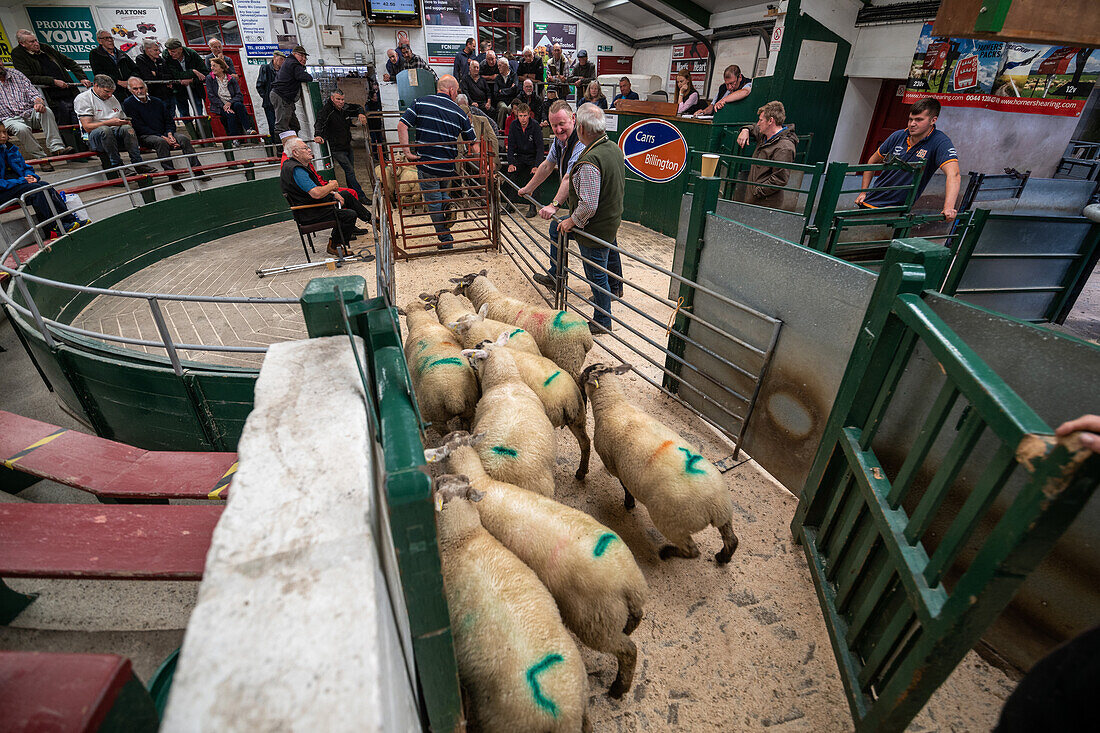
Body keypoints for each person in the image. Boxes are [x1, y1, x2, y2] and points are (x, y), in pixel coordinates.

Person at [555, 103, 624, 335]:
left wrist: (571, 221)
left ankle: (602, 321)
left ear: (581, 128)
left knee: (596, 276)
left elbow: (588, 205)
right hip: (610, 220)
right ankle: (613, 291)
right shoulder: (612, 148)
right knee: (602, 270)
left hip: (594, 228)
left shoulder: (589, 161)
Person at [397, 75, 478, 249]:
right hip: (448, 166)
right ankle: (448, 210)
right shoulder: (459, 112)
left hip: (427, 164)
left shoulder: (420, 102)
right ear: (450, 90)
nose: (456, 95)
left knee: (434, 202)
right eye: (456, 92)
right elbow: (472, 140)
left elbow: (402, 125)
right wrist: (484, 162)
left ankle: (446, 239)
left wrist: (407, 152)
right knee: (442, 196)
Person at [855, 98, 961, 221]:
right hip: (869, 203)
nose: (912, 124)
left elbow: (954, 174)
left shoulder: (940, 142)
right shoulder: (898, 136)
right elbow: (872, 161)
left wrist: (948, 207)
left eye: (919, 120)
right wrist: (863, 192)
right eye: (910, 119)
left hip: (897, 211)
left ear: (933, 120)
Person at [517, 99, 586, 285]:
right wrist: (529, 188)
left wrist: (554, 205)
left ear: (573, 118)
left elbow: (568, 177)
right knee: (603, 241)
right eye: (554, 125)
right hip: (580, 201)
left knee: (596, 244)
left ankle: (607, 289)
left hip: (591, 202)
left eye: (561, 124)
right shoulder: (559, 141)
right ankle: (558, 276)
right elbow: (547, 165)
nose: (558, 129)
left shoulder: (581, 142)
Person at [280, 137, 363, 257]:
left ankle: (371, 220)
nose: (309, 150)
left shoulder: (298, 165)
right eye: (305, 148)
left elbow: (315, 189)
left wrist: (334, 193)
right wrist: (331, 186)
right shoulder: (297, 170)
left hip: (311, 207)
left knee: (346, 195)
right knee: (349, 215)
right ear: (295, 152)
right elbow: (316, 193)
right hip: (310, 212)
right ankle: (335, 245)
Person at [124, 76, 204, 192]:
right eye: (135, 89)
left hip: (165, 133)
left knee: (184, 139)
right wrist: (164, 137)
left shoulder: (157, 101)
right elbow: (139, 127)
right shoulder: (128, 104)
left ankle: (197, 170)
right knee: (161, 142)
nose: (139, 91)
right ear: (131, 90)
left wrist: (170, 134)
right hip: (146, 135)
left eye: (141, 88)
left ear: (145, 88)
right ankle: (172, 176)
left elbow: (169, 120)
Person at [0, 126, 84, 236]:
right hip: (4, 191)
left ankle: (69, 220)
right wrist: (22, 180)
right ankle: (52, 228)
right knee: (36, 190)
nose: (3, 135)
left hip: (18, 185)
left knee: (45, 186)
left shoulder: (10, 148)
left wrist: (31, 176)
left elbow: (25, 167)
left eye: (4, 132)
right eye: (0, 133)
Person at [74, 75, 154, 174]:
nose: (109, 95)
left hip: (114, 131)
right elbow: (87, 127)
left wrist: (125, 121)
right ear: (96, 86)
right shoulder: (83, 98)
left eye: (112, 92)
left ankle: (138, 163)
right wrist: (109, 123)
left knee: (127, 128)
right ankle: (118, 165)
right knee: (105, 129)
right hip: (93, 136)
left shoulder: (112, 97)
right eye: (107, 91)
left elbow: (121, 116)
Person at [11, 30, 91, 126]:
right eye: (32, 42)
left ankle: (83, 140)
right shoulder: (17, 54)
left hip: (69, 90)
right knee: (64, 124)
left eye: (36, 40)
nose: (36, 44)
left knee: (81, 119)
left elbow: (69, 62)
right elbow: (27, 77)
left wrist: (82, 78)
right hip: (50, 96)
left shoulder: (45, 47)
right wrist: (52, 81)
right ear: (22, 44)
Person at [0, 61, 71, 167]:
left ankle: (56, 148)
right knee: (21, 129)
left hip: (29, 112)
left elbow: (34, 94)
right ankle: (41, 158)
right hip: (9, 118)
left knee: (46, 110)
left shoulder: (16, 74)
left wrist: (38, 103)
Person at [734, 100, 799, 210]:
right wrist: (745, 130)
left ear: (770, 121)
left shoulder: (784, 147)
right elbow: (754, 127)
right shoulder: (764, 135)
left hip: (766, 204)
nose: (758, 123)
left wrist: (757, 192)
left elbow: (779, 179)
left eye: (761, 120)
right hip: (753, 200)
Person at [314, 89, 368, 200]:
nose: (341, 102)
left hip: (347, 145)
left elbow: (357, 107)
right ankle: (361, 196)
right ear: (332, 98)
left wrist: (361, 113)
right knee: (350, 171)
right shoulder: (327, 111)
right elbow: (319, 123)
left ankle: (352, 194)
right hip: (336, 148)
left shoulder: (345, 108)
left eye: (342, 99)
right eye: (338, 99)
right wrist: (318, 135)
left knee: (350, 171)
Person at [506, 102, 544, 216]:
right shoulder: (513, 125)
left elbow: (540, 148)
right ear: (517, 115)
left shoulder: (535, 125)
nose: (523, 118)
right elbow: (511, 147)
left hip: (532, 157)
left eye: (525, 115)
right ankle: (510, 204)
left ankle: (533, 206)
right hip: (520, 156)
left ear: (529, 115)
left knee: (535, 175)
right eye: (520, 116)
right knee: (511, 174)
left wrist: (537, 166)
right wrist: (511, 163)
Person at [205, 58, 253, 141]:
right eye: (211, 66)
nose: (212, 68)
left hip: (232, 103)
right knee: (230, 114)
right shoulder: (210, 78)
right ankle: (234, 139)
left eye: (214, 66)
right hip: (220, 105)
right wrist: (224, 106)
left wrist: (229, 103)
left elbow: (239, 95)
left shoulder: (231, 79)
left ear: (222, 68)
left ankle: (248, 129)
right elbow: (211, 96)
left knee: (239, 105)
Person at [271, 45, 313, 135]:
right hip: (281, 96)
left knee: (294, 126)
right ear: (294, 54)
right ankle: (282, 148)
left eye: (305, 57)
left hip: (285, 98)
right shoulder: (293, 63)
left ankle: (295, 146)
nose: (303, 59)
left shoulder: (290, 62)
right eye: (301, 56)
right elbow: (305, 77)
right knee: (281, 127)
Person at [162, 38, 208, 116]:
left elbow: (204, 74)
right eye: (169, 51)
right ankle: (189, 127)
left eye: (173, 51)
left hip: (194, 88)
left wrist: (192, 80)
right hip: (178, 89)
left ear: (181, 49)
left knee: (198, 111)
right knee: (183, 113)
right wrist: (193, 71)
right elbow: (175, 75)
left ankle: (201, 127)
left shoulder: (192, 54)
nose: (170, 54)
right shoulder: (166, 56)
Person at [89, 30, 137, 103]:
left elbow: (135, 69)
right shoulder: (95, 54)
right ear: (99, 41)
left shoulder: (122, 54)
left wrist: (131, 80)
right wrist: (117, 82)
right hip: (112, 93)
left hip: (130, 91)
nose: (110, 40)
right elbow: (98, 73)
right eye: (106, 38)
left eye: (111, 38)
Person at [134, 39, 174, 111]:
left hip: (168, 94)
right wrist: (162, 77)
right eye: (155, 50)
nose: (158, 52)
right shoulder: (141, 59)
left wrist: (156, 74)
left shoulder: (160, 59)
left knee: (171, 116)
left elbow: (170, 75)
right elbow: (148, 77)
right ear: (147, 50)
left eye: (158, 50)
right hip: (154, 96)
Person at [256, 51, 285, 142]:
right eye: (281, 59)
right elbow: (260, 85)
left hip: (282, 103)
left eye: (284, 60)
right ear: (274, 57)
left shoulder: (283, 71)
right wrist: (268, 98)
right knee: (273, 124)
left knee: (283, 125)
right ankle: (276, 145)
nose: (282, 62)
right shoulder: (266, 68)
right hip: (269, 103)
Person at [492, 58, 518, 128]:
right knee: (503, 108)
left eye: (500, 65)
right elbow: (496, 93)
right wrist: (509, 89)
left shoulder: (513, 75)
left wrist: (502, 91)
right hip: (501, 100)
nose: (498, 68)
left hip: (511, 100)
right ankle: (500, 129)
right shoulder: (498, 78)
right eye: (498, 66)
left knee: (510, 108)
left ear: (506, 65)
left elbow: (515, 90)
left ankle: (513, 128)